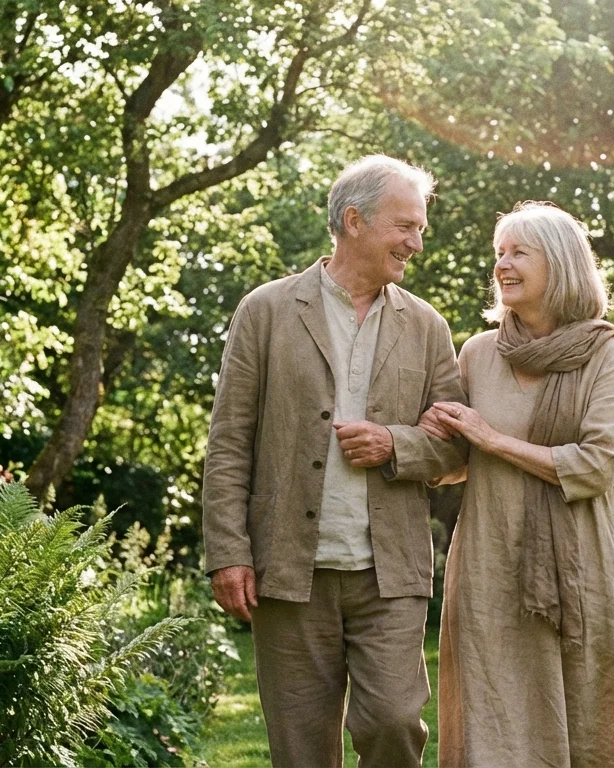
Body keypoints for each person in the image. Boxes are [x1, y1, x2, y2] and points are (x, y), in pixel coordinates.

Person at [202, 155, 467, 768]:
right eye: (405, 226)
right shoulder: (264, 311)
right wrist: (229, 550)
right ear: (353, 220)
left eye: (419, 228)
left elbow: (456, 443)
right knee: (300, 749)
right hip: (289, 570)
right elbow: (230, 440)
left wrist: (395, 444)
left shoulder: (427, 326)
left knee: (396, 722)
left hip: (390, 572)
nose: (416, 242)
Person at [421, 201, 614, 766]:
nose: (503, 264)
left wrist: (489, 437)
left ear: (563, 265)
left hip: (584, 568)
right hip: (490, 565)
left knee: (593, 716)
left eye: (519, 252)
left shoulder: (605, 353)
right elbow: (453, 462)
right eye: (499, 253)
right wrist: (424, 436)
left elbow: (597, 465)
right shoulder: (477, 354)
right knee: (494, 719)